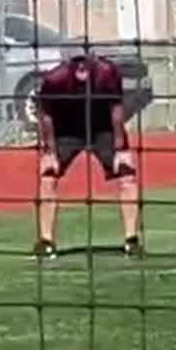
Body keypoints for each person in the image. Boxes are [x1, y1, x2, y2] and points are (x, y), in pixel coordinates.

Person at [31, 51, 143, 260]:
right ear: (69, 63)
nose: (81, 66)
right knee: (48, 175)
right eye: (77, 62)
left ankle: (131, 239)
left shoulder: (107, 73)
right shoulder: (54, 79)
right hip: (67, 129)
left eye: (85, 61)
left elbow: (116, 110)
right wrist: (50, 151)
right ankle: (46, 241)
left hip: (102, 127)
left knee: (127, 174)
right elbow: (46, 117)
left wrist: (120, 149)